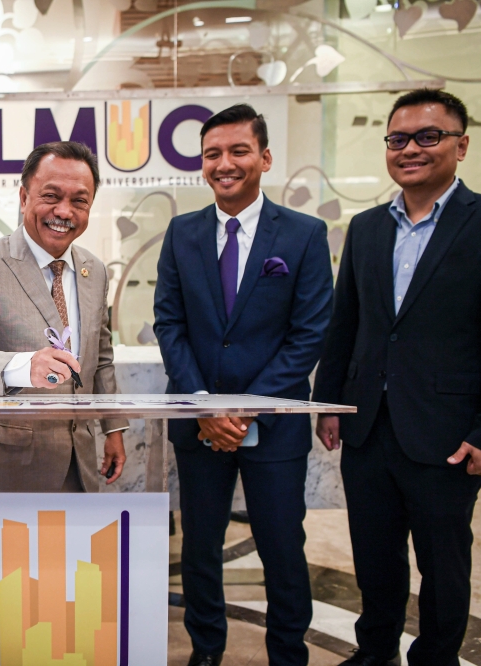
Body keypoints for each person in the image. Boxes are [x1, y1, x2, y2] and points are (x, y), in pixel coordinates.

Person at [313, 89, 481, 666]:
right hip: (368, 426)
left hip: (448, 431)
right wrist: (330, 402)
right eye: (398, 139)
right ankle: (374, 650)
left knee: (442, 559)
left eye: (427, 136)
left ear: (461, 145)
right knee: (374, 556)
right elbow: (348, 324)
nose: (410, 148)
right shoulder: (366, 228)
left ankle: (435, 657)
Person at [153, 104, 333, 666]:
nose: (224, 164)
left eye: (238, 151)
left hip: (273, 424)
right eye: (212, 154)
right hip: (200, 420)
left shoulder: (304, 234)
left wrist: (246, 407)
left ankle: (287, 654)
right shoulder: (182, 233)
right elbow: (169, 322)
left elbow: (309, 335)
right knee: (201, 549)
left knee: (282, 548)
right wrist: (204, 404)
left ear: (265, 158)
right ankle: (206, 651)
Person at [0, 141, 128, 493]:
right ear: (23, 198)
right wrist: (22, 365)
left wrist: (113, 428)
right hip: (6, 465)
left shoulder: (93, 270)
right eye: (51, 196)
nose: (64, 211)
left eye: (79, 200)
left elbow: (102, 358)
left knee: (76, 550)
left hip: (81, 462)